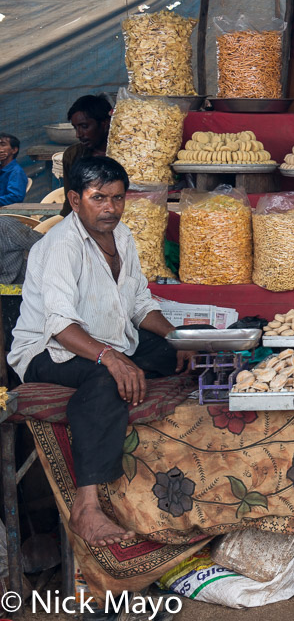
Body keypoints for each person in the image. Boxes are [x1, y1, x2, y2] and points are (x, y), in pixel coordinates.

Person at [10, 156, 182, 547]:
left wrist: (178, 337)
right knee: (106, 379)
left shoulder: (122, 237)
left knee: (175, 353)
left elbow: (140, 304)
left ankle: (120, 375)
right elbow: (60, 326)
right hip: (48, 351)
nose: (110, 208)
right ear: (75, 199)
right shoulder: (61, 247)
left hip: (110, 341)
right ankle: (86, 508)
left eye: (118, 198)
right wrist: (111, 359)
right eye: (99, 198)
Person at [60, 94, 112, 217]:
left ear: (105, 123)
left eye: (84, 127)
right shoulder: (73, 156)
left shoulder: (127, 156)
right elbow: (71, 202)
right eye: (75, 128)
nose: (78, 134)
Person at [0, 133, 25, 205]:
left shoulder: (16, 171)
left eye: (3, 145)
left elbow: (15, 197)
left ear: (14, 150)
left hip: (6, 214)